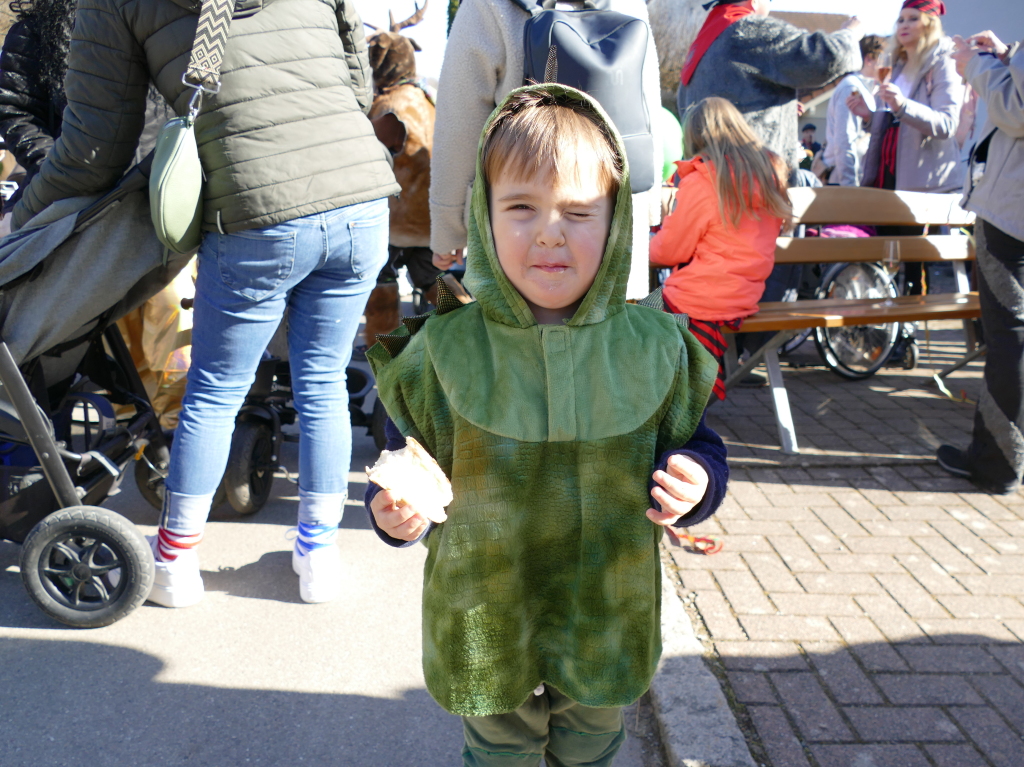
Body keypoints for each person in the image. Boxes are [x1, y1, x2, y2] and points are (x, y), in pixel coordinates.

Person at [365, 85, 728, 766]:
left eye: (579, 211)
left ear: (616, 221)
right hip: (484, 611)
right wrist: (392, 512)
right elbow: (402, 459)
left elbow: (698, 442)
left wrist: (697, 479)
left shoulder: (651, 348)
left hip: (603, 610)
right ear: (484, 215)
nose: (550, 231)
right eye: (522, 208)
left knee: (591, 744)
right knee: (501, 749)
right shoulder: (445, 352)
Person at [10, 0, 400, 606]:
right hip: (361, 196)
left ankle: (176, 565)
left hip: (254, 209)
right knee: (321, 380)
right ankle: (319, 557)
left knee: (217, 388)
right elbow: (356, 78)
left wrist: (26, 223)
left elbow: (95, 150)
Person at [430, 0, 663, 300]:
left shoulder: (487, 6)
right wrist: (648, 206)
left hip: (520, 236)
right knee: (610, 338)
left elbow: (459, 122)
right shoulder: (628, 3)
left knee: (517, 338)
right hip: (617, 218)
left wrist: (448, 231)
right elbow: (647, 107)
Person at [650, 97, 791, 401]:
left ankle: (672, 401)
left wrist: (643, 249)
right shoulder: (769, 175)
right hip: (744, 297)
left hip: (700, 298)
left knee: (634, 313)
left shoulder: (704, 179)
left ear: (694, 136)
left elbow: (668, 252)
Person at [937, 32, 1024, 494]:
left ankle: (997, 464)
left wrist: (978, 65)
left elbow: (1017, 110)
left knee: (1010, 340)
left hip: (1013, 214)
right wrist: (1010, 56)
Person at [848, 0, 964, 297]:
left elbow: (946, 124)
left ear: (930, 22)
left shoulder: (943, 62)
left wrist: (901, 104)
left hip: (920, 183)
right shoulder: (896, 65)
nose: (903, 25)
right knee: (886, 258)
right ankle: (889, 330)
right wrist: (870, 116)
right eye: (900, 20)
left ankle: (909, 333)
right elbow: (896, 120)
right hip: (886, 177)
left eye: (913, 18)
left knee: (912, 266)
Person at [679, 0, 863, 177]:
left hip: (704, 184)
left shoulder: (703, 44)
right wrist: (850, 34)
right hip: (751, 186)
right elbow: (824, 57)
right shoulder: (749, 30)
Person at [823, 34, 884, 186]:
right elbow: (845, 139)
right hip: (844, 180)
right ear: (869, 59)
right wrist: (849, 185)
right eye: (883, 59)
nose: (887, 65)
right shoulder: (852, 89)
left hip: (853, 178)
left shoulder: (865, 88)